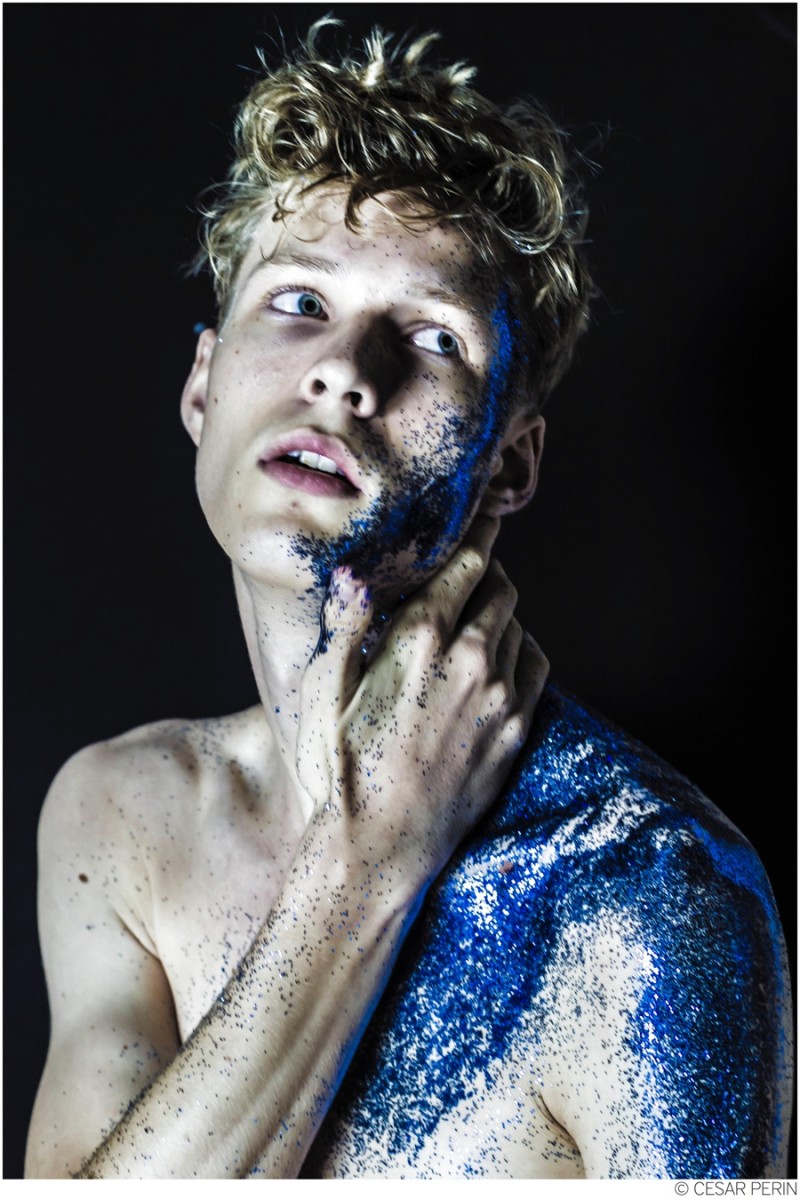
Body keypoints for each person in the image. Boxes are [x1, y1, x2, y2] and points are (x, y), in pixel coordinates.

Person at [24, 20, 792, 1180]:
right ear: (202, 385)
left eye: (430, 337)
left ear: (509, 465)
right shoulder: (125, 816)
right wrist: (366, 861)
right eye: (297, 303)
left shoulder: (642, 888)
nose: (343, 371)